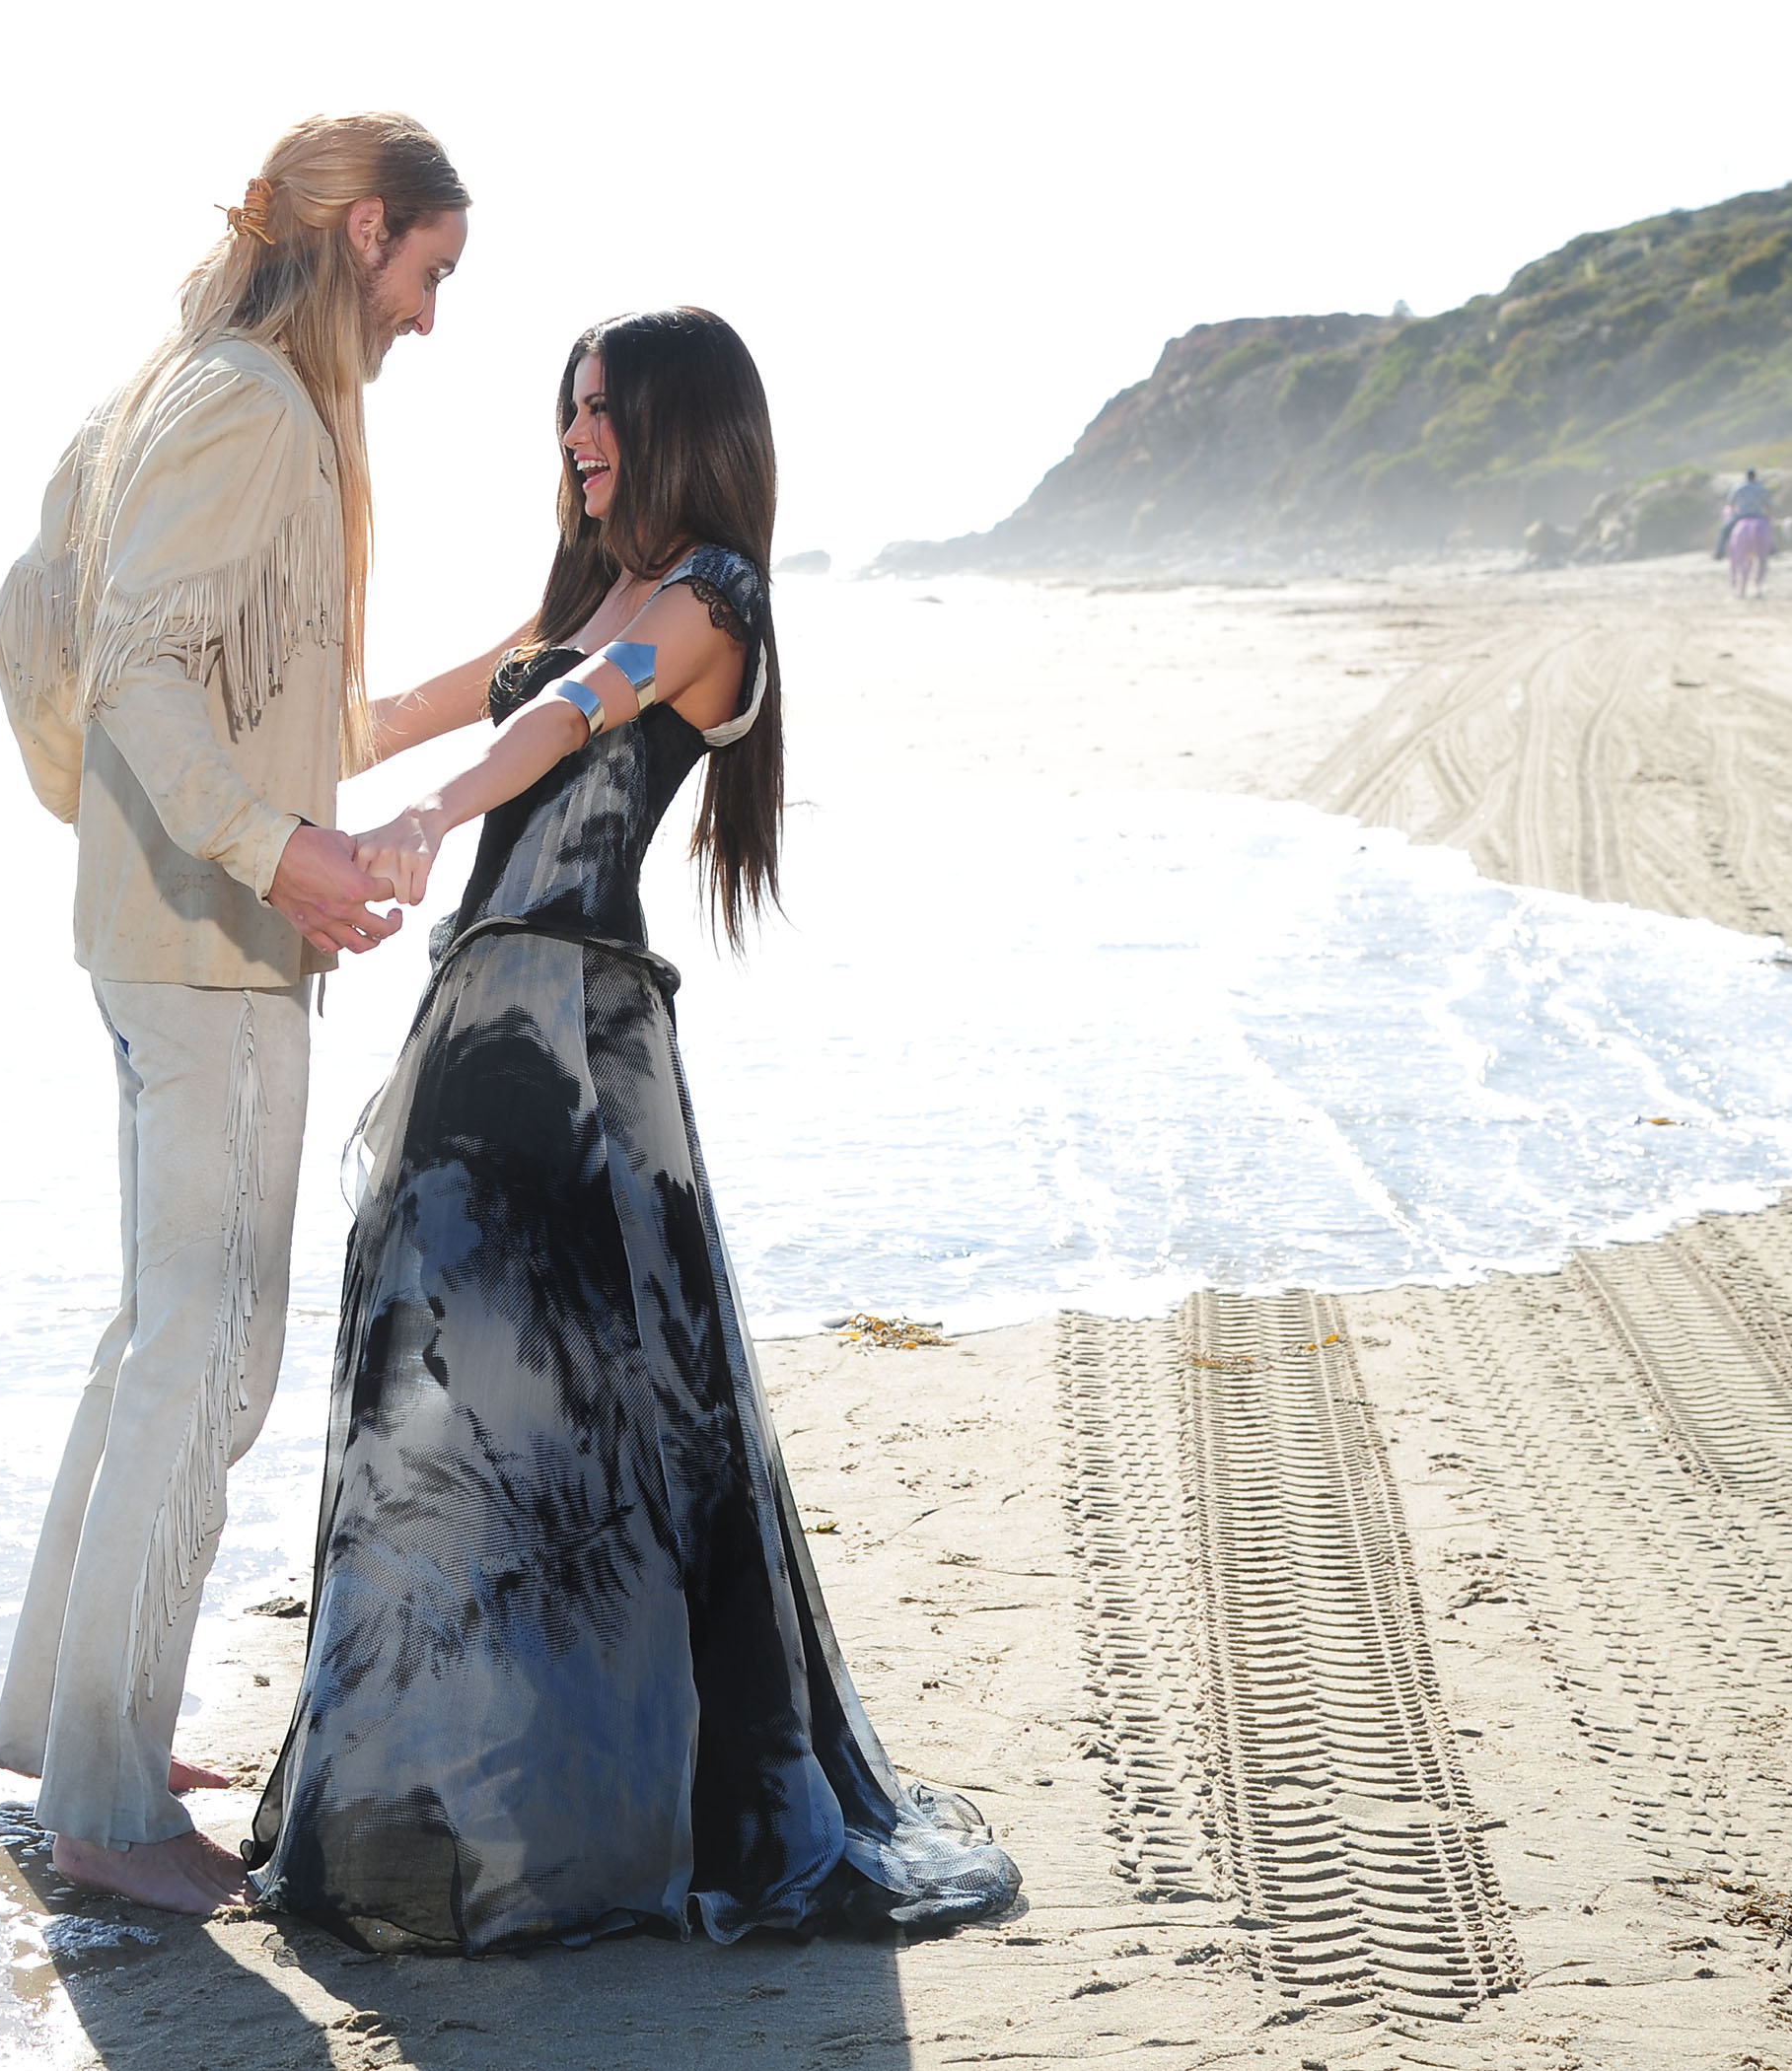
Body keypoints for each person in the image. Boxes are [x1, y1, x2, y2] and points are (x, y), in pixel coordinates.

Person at [243, 308, 1022, 1951]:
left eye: (604, 409)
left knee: (607, 1420)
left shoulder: (707, 601)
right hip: (480, 1011)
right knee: (442, 1396)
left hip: (580, 1039)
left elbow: (572, 714)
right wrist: (245, 758)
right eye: (569, 407)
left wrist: (429, 814)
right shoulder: (583, 588)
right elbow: (406, 708)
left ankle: (584, 1823)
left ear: (679, 424)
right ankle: (431, 1800)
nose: (576, 435)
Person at [0, 112, 470, 1917]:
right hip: (205, 950)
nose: (428, 317)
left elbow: (218, 693)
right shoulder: (253, 407)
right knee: (212, 1360)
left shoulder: (177, 390)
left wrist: (482, 688)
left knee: (159, 1339)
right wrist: (278, 857)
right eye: (427, 272)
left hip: (155, 935)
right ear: (362, 233)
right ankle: (105, 1807)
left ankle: (71, 1735)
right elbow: (136, 671)